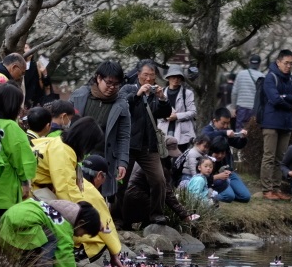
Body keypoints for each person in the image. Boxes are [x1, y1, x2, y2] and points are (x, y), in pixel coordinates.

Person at [30, 118, 126, 267]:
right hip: (34, 192)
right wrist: (91, 219)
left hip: (31, 189)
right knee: (87, 234)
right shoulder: (63, 153)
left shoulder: (55, 141)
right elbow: (67, 193)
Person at [0, 197, 102, 267]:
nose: (81, 236)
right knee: (52, 240)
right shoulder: (63, 224)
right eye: (84, 233)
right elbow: (64, 251)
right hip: (19, 228)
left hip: (5, 226)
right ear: (81, 223)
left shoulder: (55, 211)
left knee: (42, 236)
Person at [0, 82, 37, 247]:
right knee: (1, 225)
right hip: (6, 186)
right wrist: (26, 182)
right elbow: (21, 158)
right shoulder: (12, 127)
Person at [117, 61, 172, 223]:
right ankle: (118, 217)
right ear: (138, 74)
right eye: (146, 75)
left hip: (149, 146)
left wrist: (162, 99)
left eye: (152, 76)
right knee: (121, 182)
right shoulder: (128, 89)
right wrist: (138, 94)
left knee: (159, 180)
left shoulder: (155, 93)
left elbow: (165, 113)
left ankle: (156, 214)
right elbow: (121, 106)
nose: (149, 79)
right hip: (128, 144)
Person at [69, 60, 130, 199]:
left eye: (116, 84)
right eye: (108, 83)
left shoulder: (122, 104)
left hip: (105, 159)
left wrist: (122, 162)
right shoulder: (79, 96)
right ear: (98, 78)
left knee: (100, 198)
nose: (112, 87)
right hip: (79, 155)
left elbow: (123, 136)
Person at [259, 49, 292, 198]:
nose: (289, 66)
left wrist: (285, 97)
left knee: (281, 159)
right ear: (278, 62)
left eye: (291, 63)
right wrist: (289, 100)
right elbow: (274, 99)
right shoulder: (270, 77)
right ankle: (267, 190)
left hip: (286, 123)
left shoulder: (291, 79)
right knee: (269, 157)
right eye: (286, 63)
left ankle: (276, 189)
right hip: (271, 122)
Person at [160, 65, 197, 149]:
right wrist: (164, 116)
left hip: (182, 132)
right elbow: (155, 110)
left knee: (179, 157)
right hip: (164, 129)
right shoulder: (161, 92)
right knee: (164, 157)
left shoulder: (187, 93)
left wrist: (177, 116)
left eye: (178, 77)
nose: (176, 79)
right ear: (168, 77)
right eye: (173, 77)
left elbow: (193, 112)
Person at [206, 136, 251, 203]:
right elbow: (201, 178)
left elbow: (229, 166)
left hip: (227, 175)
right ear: (212, 150)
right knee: (229, 196)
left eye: (222, 153)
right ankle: (210, 197)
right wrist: (217, 176)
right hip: (213, 179)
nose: (220, 156)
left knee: (246, 197)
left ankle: (229, 192)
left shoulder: (227, 154)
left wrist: (228, 170)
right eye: (217, 153)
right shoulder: (206, 158)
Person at [230, 54, 263, 132]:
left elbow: (234, 92)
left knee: (239, 129)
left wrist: (233, 107)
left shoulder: (240, 74)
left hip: (242, 108)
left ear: (249, 63)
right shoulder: (262, 76)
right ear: (259, 64)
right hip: (255, 109)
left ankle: (239, 143)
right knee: (252, 131)